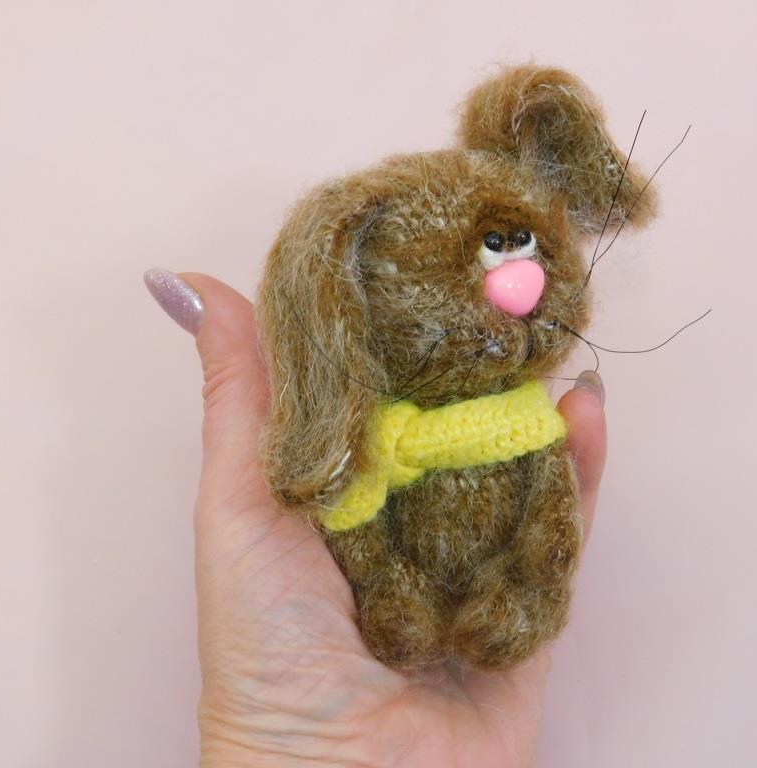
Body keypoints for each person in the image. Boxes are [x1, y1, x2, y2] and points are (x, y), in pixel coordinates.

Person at [145, 269, 608, 768]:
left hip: (500, 585)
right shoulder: (378, 444)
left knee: (511, 613)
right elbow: (359, 516)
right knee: (393, 601)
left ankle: (502, 604)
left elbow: (552, 503)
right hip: (399, 597)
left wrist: (543, 557)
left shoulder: (533, 433)